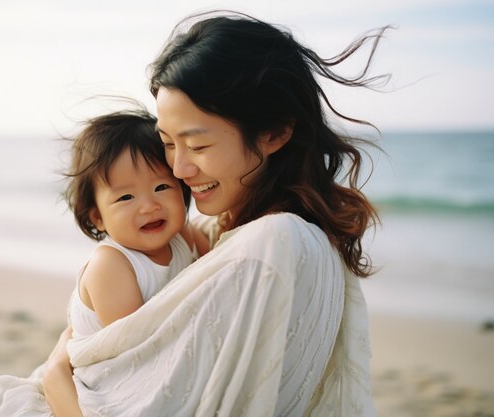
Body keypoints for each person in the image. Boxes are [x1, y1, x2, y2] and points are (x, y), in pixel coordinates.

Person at [26, 11, 388, 417]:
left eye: (197, 146)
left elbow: (125, 383)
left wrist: (57, 373)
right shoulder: (230, 232)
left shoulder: (270, 245)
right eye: (167, 143)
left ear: (274, 133)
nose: (178, 170)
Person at [0, 109, 209, 417]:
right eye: (125, 198)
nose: (149, 205)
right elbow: (134, 350)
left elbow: (215, 275)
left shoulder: (184, 234)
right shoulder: (112, 265)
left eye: (161, 187)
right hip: (93, 386)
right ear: (98, 217)